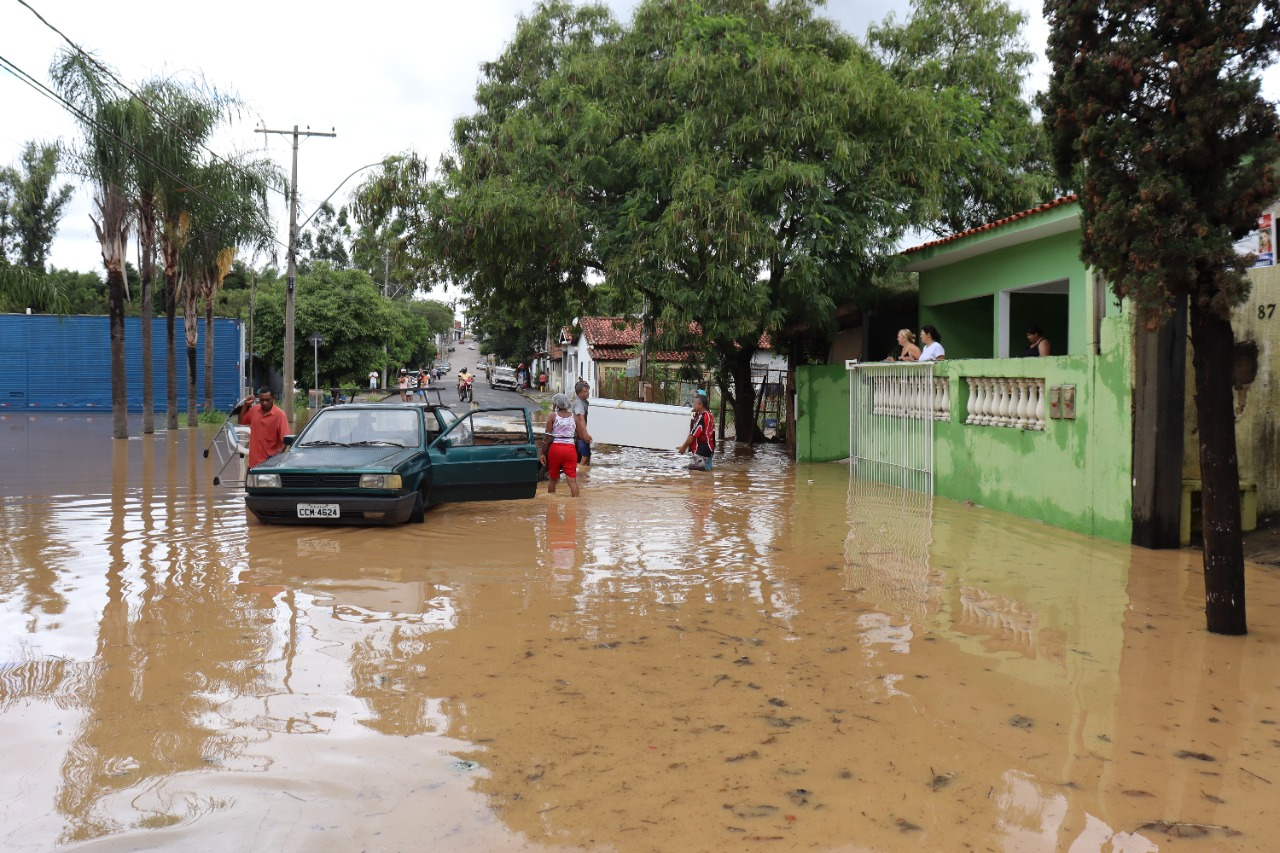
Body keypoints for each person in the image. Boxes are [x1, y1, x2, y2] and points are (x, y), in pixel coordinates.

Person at [539, 393, 583, 497]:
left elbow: (547, 437)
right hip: (570, 450)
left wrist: (542, 453)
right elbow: (581, 436)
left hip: (555, 449)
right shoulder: (574, 418)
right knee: (572, 481)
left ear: (556, 404)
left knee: (553, 479)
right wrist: (571, 436)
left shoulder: (552, 416)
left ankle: (551, 505)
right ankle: (575, 506)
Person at [238, 388, 290, 469]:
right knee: (249, 482)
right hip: (253, 464)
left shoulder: (280, 415)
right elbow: (241, 421)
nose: (264, 403)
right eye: (262, 400)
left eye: (267, 400)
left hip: (270, 464)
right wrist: (245, 405)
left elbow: (286, 439)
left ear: (273, 399)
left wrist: (278, 454)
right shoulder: (254, 410)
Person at [677, 390, 716, 470]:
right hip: (706, 447)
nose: (693, 403)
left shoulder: (703, 416)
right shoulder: (708, 414)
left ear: (701, 403)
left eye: (696, 399)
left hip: (703, 448)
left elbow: (693, 434)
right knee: (702, 471)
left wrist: (684, 447)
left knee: (695, 473)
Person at [572, 380, 593, 466]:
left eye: (588, 391)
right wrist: (585, 434)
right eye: (585, 391)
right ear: (579, 393)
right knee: (585, 457)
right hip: (580, 435)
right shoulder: (579, 403)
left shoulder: (584, 402)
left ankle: (584, 476)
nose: (588, 393)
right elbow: (581, 419)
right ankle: (579, 476)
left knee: (587, 457)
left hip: (582, 434)